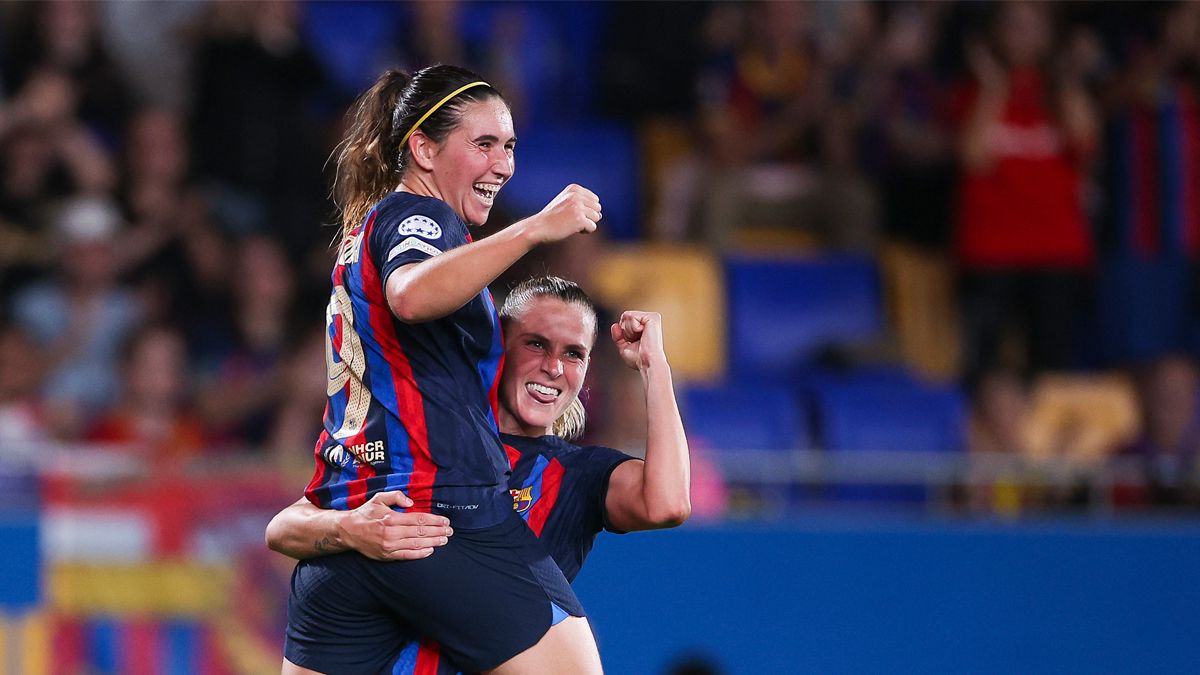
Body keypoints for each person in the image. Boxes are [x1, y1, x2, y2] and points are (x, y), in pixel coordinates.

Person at [282, 65, 604, 675]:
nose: (503, 165)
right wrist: (534, 229)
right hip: (441, 518)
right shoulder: (420, 218)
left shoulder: (366, 231)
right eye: (483, 144)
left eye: (509, 146)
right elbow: (410, 294)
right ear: (424, 150)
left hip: (349, 522)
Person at [267, 275, 691, 674]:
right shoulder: (423, 440)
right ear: (498, 345)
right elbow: (284, 527)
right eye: (536, 344)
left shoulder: (580, 475)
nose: (554, 367)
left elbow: (668, 504)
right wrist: (351, 529)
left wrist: (654, 366)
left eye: (573, 354)